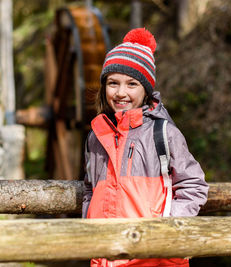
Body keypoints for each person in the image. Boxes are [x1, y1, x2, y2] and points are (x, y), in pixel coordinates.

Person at [82, 28, 209, 267]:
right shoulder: (95, 137)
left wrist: (166, 231)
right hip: (105, 256)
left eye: (132, 84)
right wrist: (90, 232)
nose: (121, 93)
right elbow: (90, 189)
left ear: (146, 89)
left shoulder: (164, 133)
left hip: (154, 257)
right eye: (113, 83)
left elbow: (194, 184)